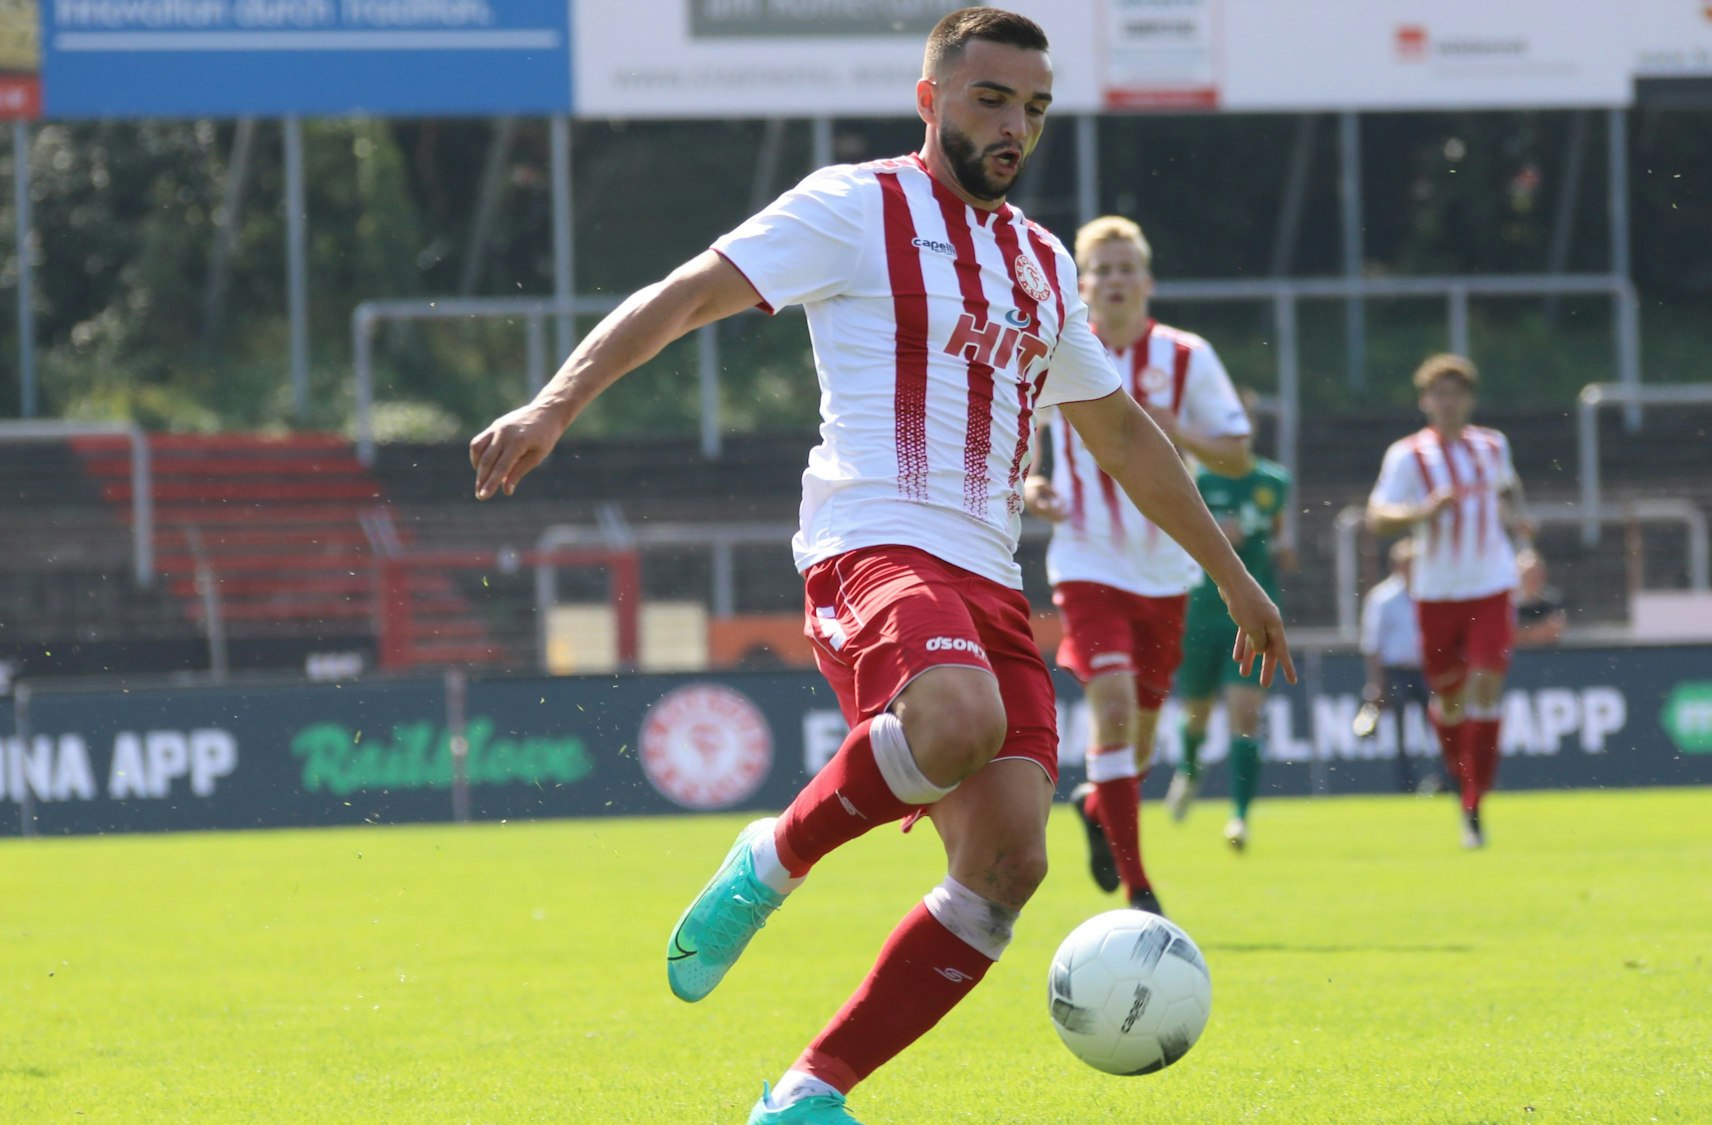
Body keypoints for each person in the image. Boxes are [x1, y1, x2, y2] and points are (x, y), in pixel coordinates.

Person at [467, 11, 1292, 1124]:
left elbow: (1125, 436)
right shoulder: (855, 208)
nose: (1014, 127)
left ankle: (807, 1096)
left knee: (1008, 869)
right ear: (931, 97)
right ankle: (774, 860)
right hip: (874, 544)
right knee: (954, 716)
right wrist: (555, 398)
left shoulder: (1043, 265)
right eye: (992, 99)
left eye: (1034, 110)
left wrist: (1230, 573)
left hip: (988, 577)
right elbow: (686, 295)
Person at [1022, 215, 1253, 912]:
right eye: (1103, 270)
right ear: (1082, 283)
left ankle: (1099, 804)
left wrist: (1169, 428)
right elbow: (1029, 439)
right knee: (1114, 707)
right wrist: (1033, 485)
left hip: (1165, 568)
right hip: (1088, 561)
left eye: (1128, 269)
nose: (1116, 281)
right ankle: (1139, 888)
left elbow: (1237, 454)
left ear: (1146, 283)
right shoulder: (1061, 347)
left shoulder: (1186, 357)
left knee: (1143, 727)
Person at [1365, 354, 1531, 850]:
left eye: (1456, 392)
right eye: (1439, 393)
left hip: (1491, 584)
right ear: (1425, 402)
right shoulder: (1408, 456)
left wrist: (1522, 535)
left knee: (1485, 684)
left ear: (1469, 400)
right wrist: (1422, 511)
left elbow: (1509, 489)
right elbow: (1377, 517)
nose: (1447, 401)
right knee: (1450, 700)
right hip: (1436, 592)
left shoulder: (1492, 445)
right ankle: (1465, 782)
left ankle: (1474, 800)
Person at [1159, 391, 1291, 849]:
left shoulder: (1274, 481)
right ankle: (1190, 768)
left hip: (1248, 611)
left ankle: (1239, 817)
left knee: (1245, 712)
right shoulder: (1190, 476)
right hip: (1197, 610)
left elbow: (1279, 544)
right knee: (1195, 712)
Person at [1358, 538, 1433, 795]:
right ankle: (1406, 784)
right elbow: (1372, 644)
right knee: (1400, 734)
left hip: (1427, 670)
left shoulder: (1430, 592)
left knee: (1440, 727)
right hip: (1397, 671)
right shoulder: (1382, 598)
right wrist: (1376, 683)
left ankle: (1444, 780)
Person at [1513, 547, 1568, 647]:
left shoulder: (1553, 601)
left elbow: (1554, 631)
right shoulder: (1508, 604)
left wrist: (1523, 634)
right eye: (1529, 574)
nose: (1534, 578)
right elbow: (1506, 636)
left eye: (1538, 573)